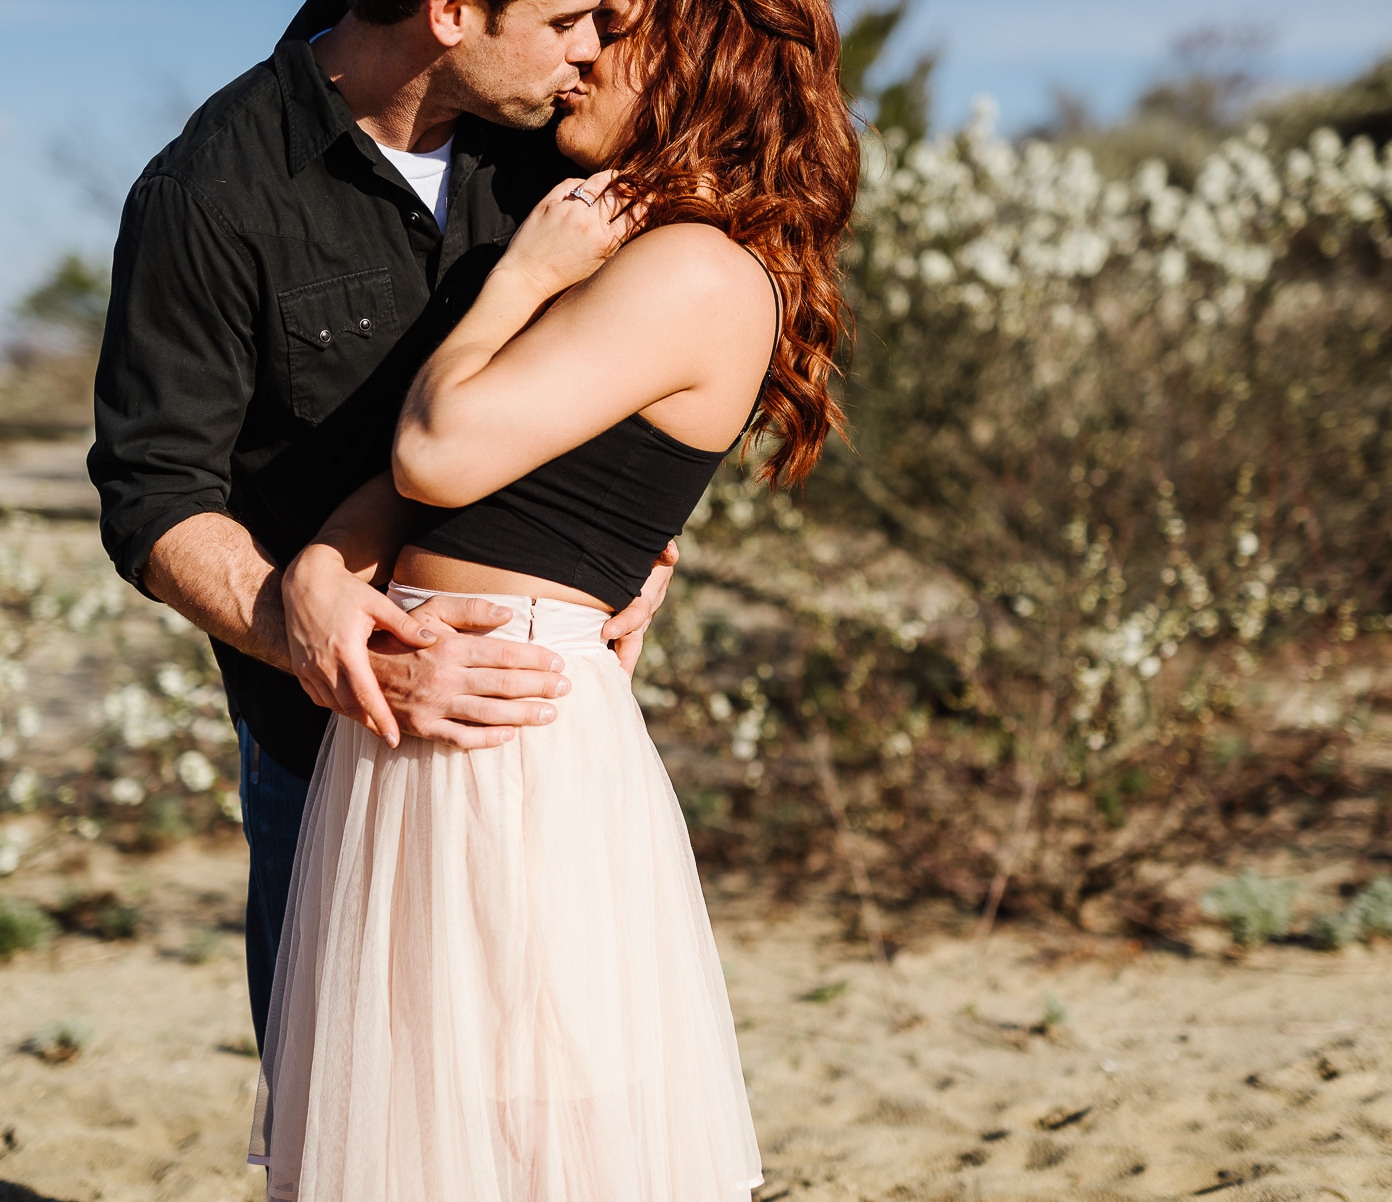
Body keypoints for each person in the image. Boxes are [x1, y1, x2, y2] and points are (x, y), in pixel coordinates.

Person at [250, 0, 859, 1195]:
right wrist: (326, 556)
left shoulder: (691, 266)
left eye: (616, 31)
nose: (580, 56)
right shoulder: (647, 245)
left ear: (696, 62)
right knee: (437, 1123)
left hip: (510, 724)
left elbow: (437, 449)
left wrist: (518, 277)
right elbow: (449, 492)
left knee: (523, 1125)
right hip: (448, 704)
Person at [86, 0, 680, 1054]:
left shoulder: (556, 152)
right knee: (353, 1104)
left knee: (545, 1094)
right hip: (321, 745)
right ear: (450, 11)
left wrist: (644, 538)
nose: (592, 49)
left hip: (543, 733)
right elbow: (155, 493)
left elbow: (632, 373)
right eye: (568, 17)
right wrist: (317, 640)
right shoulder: (211, 189)